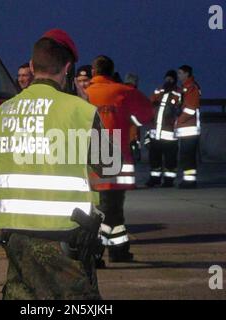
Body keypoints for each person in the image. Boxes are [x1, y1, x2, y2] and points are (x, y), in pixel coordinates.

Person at [0, 29, 111, 300]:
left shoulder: (1, 114)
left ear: (32, 67)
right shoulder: (80, 111)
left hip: (16, 240)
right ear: (67, 68)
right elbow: (108, 165)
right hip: (67, 241)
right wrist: (88, 105)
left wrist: (1, 232)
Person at [86, 55, 154, 262]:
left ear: (93, 72)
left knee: (107, 211)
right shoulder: (124, 92)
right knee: (112, 210)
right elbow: (146, 115)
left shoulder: (83, 94)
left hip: (89, 160)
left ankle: (118, 250)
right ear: (112, 71)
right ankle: (95, 252)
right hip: (117, 158)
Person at [145, 70, 182, 188]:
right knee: (154, 158)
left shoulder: (178, 93)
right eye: (167, 78)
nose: (168, 80)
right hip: (155, 132)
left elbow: (180, 109)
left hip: (170, 134)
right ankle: (154, 179)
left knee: (170, 159)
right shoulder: (159, 90)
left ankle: (169, 180)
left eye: (171, 79)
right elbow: (149, 104)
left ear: (174, 80)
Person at [176, 65, 201, 189]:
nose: (178, 76)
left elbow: (190, 109)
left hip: (189, 128)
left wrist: (178, 120)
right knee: (185, 156)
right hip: (186, 129)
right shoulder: (185, 88)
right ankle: (188, 180)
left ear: (187, 74)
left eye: (180, 73)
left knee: (188, 156)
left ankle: (190, 181)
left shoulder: (192, 88)